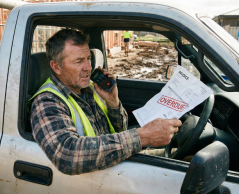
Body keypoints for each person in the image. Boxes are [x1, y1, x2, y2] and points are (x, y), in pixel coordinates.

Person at [30, 29, 182, 175]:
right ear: (56, 67)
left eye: (88, 58)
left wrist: (112, 102)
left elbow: (120, 130)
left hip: (117, 161)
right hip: (98, 175)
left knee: (184, 153)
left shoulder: (90, 88)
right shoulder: (47, 101)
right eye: (78, 61)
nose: (88, 68)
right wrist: (144, 136)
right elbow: (67, 155)